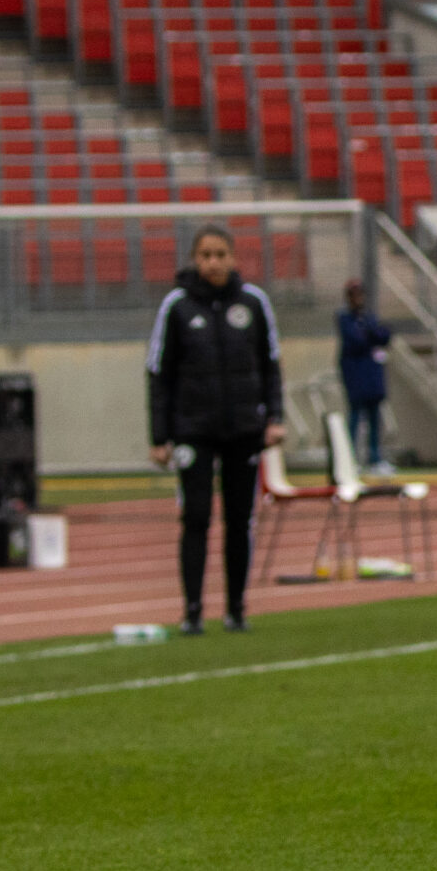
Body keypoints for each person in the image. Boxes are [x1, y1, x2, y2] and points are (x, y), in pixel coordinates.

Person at [147, 224, 285, 635]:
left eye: (220, 254)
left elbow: (271, 365)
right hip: (193, 430)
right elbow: (158, 373)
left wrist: (274, 418)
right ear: (195, 259)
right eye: (206, 255)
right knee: (196, 517)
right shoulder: (177, 306)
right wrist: (159, 437)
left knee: (239, 520)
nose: (213, 263)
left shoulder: (254, 302)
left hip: (244, 428)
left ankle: (236, 608)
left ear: (233, 258)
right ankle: (192, 611)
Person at [335, 279, 394, 477]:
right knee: (355, 417)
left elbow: (383, 336)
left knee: (374, 419)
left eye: (360, 294)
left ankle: (375, 459)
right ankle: (350, 460)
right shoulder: (345, 319)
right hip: (356, 378)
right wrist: (372, 334)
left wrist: (372, 333)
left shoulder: (368, 318)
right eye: (354, 295)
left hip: (372, 378)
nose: (358, 298)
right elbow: (357, 340)